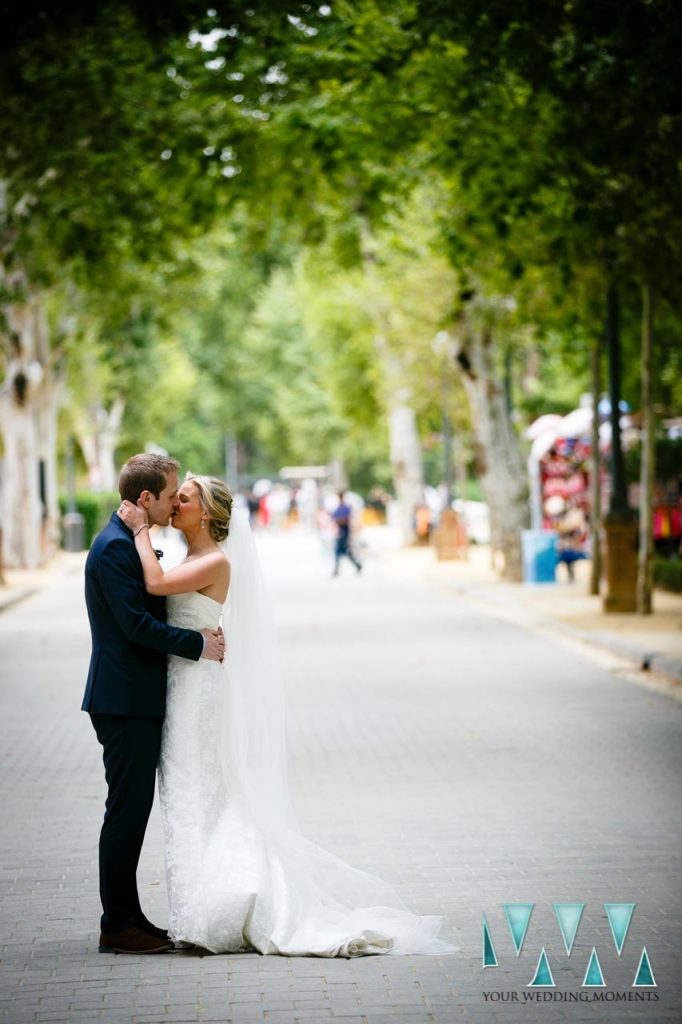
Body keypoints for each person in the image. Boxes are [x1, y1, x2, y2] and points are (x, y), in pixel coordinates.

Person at [120, 475, 456, 958]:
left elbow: (154, 584)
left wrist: (138, 531)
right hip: (181, 686)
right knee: (187, 795)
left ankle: (222, 907)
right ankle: (199, 907)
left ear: (208, 513)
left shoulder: (214, 560)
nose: (175, 504)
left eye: (185, 499)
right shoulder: (189, 558)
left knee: (203, 792)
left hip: (198, 693)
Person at [83, 454, 225, 955]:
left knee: (132, 811)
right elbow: (135, 627)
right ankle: (117, 924)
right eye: (169, 495)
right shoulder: (113, 549)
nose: (173, 504)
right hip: (123, 701)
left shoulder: (125, 542)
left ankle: (130, 917)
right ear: (146, 499)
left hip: (134, 698)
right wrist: (199, 645)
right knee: (125, 813)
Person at [332, 491, 362, 576]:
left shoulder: (346, 508)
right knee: (343, 551)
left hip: (344, 532)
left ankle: (337, 569)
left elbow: (345, 519)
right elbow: (334, 518)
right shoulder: (338, 508)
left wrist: (340, 521)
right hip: (340, 531)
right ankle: (357, 565)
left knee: (340, 551)